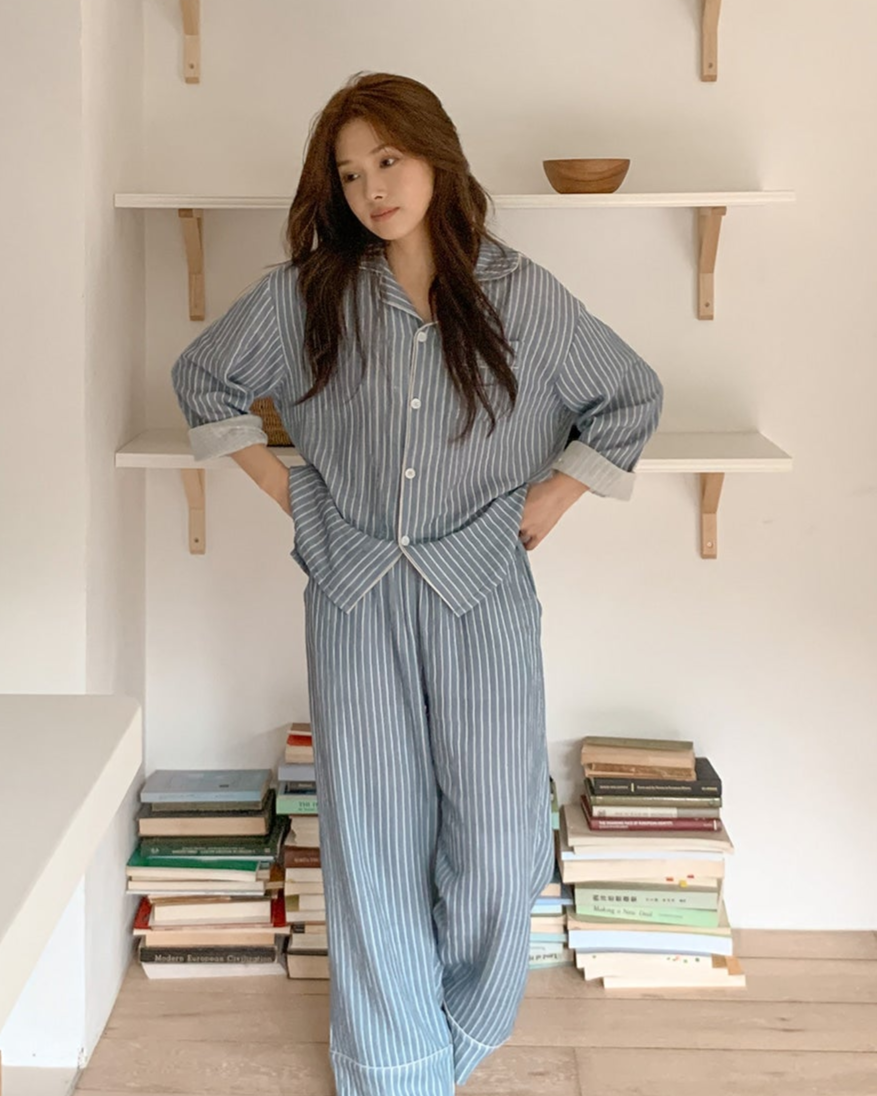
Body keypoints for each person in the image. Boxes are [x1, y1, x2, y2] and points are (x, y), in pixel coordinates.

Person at [171, 70, 663, 1096]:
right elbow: (202, 379)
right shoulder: (312, 294)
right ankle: (394, 1066)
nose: (372, 190)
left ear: (435, 156)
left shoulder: (522, 295)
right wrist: (293, 495)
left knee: (499, 834)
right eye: (351, 174)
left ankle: (461, 1026)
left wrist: (551, 499)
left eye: (387, 161)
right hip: (352, 592)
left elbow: (629, 396)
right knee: (373, 837)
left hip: (480, 589)